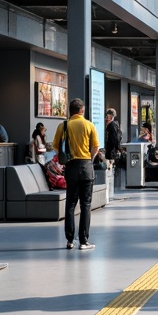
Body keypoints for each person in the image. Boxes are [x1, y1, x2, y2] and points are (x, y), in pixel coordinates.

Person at [53, 98, 100, 251]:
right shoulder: (89, 125)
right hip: (86, 166)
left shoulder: (64, 126)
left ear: (70, 111)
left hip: (71, 167)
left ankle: (70, 240)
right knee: (85, 204)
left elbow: (56, 148)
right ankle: (84, 241)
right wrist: (89, 160)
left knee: (70, 204)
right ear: (82, 110)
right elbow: (95, 147)